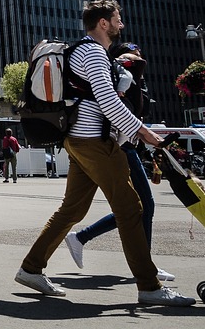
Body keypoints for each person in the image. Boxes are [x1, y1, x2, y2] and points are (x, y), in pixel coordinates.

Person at [15, 0, 194, 307]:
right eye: (116, 19)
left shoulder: (82, 51)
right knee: (131, 208)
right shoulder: (93, 52)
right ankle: (150, 287)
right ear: (103, 23)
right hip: (94, 143)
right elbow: (108, 101)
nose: (120, 25)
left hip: (78, 140)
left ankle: (31, 268)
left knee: (72, 210)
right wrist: (144, 132)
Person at [64, 41, 174, 281]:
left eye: (138, 56)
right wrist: (145, 134)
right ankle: (147, 269)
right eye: (130, 56)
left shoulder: (128, 77)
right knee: (140, 205)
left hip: (120, 145)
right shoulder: (114, 75)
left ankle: (79, 238)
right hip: (119, 147)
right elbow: (115, 109)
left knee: (131, 207)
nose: (136, 60)